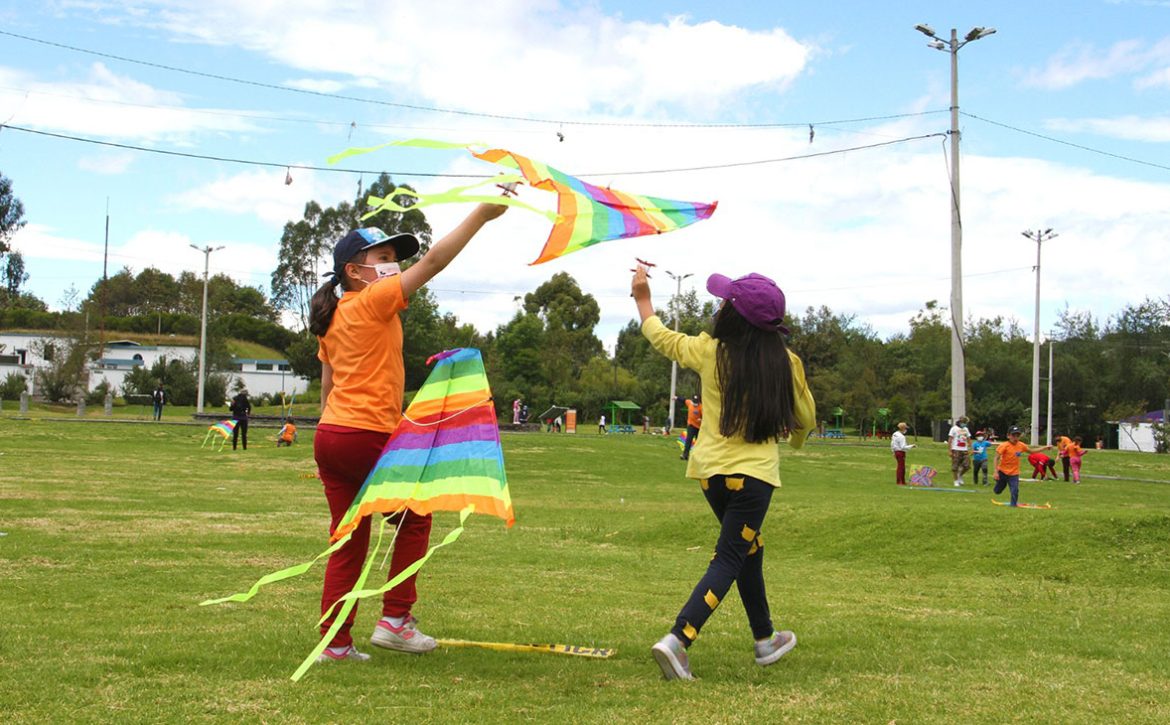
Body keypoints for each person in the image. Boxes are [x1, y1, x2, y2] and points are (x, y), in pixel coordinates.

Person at [309, 204, 506, 664]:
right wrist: (481, 215)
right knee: (415, 519)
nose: (392, 262)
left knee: (348, 539)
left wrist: (329, 437)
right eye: (382, 256)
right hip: (366, 434)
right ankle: (395, 621)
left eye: (394, 255)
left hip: (332, 436)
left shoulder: (335, 315)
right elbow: (434, 262)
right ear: (354, 271)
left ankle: (334, 644)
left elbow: (327, 386)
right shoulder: (373, 299)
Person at [632, 267, 816, 681]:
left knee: (749, 550)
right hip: (755, 478)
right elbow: (806, 417)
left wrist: (642, 297)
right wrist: (796, 439)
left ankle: (765, 639)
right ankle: (679, 639)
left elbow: (661, 337)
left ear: (732, 316)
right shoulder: (787, 363)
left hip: (710, 476)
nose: (718, 307)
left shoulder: (709, 350)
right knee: (732, 555)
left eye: (724, 302)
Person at [994, 426, 1053, 507]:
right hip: (1003, 472)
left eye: (1017, 436)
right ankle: (999, 486)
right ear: (1008, 436)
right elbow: (996, 458)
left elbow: (1032, 451)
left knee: (1015, 490)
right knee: (997, 491)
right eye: (1013, 435)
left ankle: (1013, 506)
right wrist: (996, 471)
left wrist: (1045, 448)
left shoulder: (1021, 445)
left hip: (1014, 473)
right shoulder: (1004, 445)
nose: (1015, 438)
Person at [947, 416, 972, 486]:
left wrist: (971, 448)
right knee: (955, 466)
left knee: (967, 466)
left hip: (964, 449)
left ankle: (960, 475)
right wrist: (950, 450)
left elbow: (968, 439)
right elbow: (950, 440)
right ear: (961, 422)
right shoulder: (954, 428)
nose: (965, 424)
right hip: (956, 449)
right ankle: (956, 481)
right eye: (964, 423)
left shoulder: (966, 429)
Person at [681, 394, 703, 461]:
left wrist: (701, 419)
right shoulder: (689, 403)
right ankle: (685, 455)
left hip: (699, 427)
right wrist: (676, 398)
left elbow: (705, 417)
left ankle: (698, 456)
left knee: (698, 442)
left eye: (696, 402)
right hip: (691, 425)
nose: (695, 403)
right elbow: (683, 400)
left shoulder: (701, 407)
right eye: (694, 402)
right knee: (688, 440)